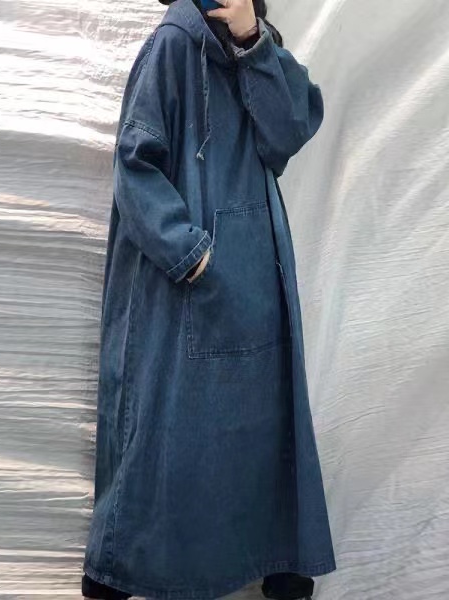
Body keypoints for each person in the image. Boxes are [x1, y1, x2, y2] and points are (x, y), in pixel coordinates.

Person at [82, 0, 336, 599]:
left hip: (256, 272)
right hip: (188, 281)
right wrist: (188, 251)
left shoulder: (254, 46)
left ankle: (281, 558)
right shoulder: (174, 44)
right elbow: (134, 165)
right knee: (164, 425)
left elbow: (288, 132)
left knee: (265, 421)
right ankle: (115, 572)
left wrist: (253, 42)